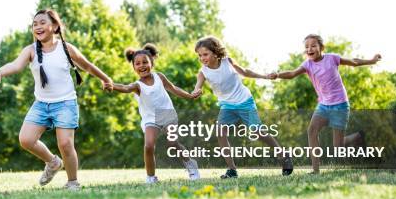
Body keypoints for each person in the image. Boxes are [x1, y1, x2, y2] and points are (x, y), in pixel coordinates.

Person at [0, 9, 113, 191]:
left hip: (65, 103)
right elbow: (15, 65)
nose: (38, 26)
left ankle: (73, 182)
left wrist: (105, 79)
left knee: (65, 143)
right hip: (41, 104)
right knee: (26, 140)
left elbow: (87, 65)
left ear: (55, 26)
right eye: (35, 24)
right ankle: (52, 162)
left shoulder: (66, 48)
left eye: (42, 22)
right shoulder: (31, 51)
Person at [269, 34, 381, 173]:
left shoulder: (332, 58)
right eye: (307, 47)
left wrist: (371, 60)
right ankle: (316, 171)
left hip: (340, 104)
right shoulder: (307, 64)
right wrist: (278, 75)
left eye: (313, 45)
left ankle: (357, 137)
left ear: (321, 47)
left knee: (337, 148)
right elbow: (292, 74)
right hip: (323, 105)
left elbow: (354, 61)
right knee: (312, 131)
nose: (310, 49)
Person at [192, 36, 293, 178]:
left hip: (244, 101)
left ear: (215, 52)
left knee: (258, 132)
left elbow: (245, 72)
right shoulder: (203, 72)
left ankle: (283, 156)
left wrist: (264, 76)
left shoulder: (227, 61)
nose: (202, 58)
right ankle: (232, 170)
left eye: (205, 54)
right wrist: (197, 90)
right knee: (220, 133)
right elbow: (198, 85)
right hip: (227, 105)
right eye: (200, 55)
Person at [111, 44, 201, 183]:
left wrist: (189, 96)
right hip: (150, 119)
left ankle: (190, 164)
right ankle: (151, 177)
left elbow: (173, 88)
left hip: (167, 114)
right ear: (134, 67)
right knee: (148, 145)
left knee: (173, 143)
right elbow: (125, 87)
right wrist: (112, 85)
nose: (142, 66)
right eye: (138, 63)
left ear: (151, 63)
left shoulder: (159, 77)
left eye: (145, 62)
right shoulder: (137, 85)